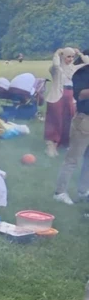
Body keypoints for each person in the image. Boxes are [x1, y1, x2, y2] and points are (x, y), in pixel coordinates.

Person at [53, 52, 89, 205]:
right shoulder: (82, 73)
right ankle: (59, 192)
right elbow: (80, 95)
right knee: (73, 159)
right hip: (84, 120)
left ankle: (83, 190)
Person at [44, 48, 81, 158]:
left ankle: (63, 143)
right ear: (62, 56)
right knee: (55, 119)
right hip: (57, 96)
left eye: (72, 57)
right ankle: (51, 145)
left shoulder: (73, 68)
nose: (70, 59)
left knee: (68, 119)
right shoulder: (55, 68)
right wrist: (56, 53)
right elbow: (55, 65)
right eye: (68, 56)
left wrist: (79, 53)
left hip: (70, 95)